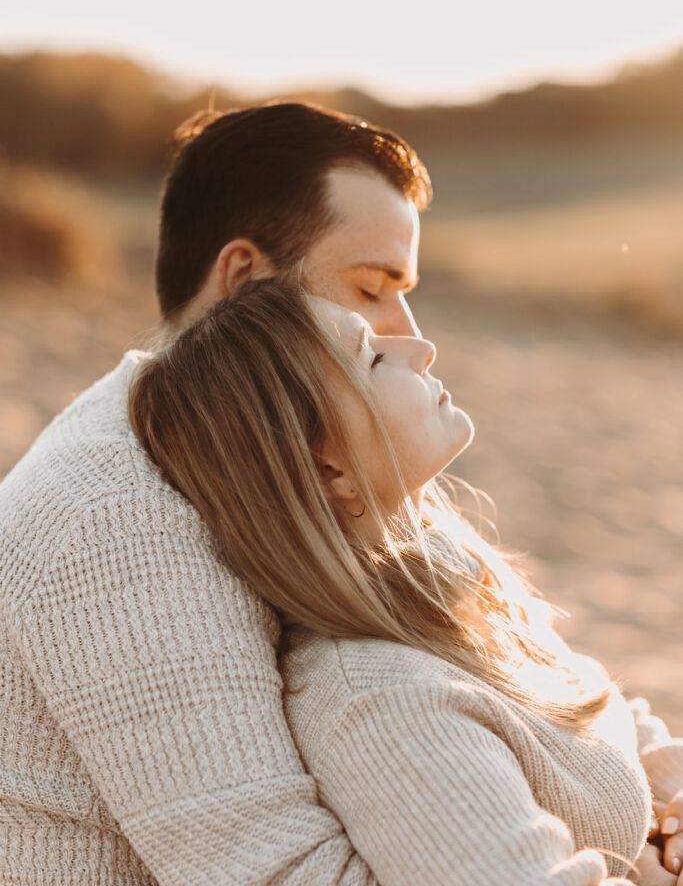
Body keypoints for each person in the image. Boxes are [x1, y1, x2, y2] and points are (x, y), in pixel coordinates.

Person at [0, 101, 678, 886]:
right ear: (247, 282)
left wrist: (667, 793)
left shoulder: (337, 467)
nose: (407, 333)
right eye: (369, 288)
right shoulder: (118, 522)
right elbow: (278, 873)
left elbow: (533, 670)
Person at [127, 273, 683, 886]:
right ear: (328, 467)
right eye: (372, 356)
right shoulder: (385, 703)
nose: (420, 349)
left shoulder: (445, 577)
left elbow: (578, 698)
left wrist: (666, 783)